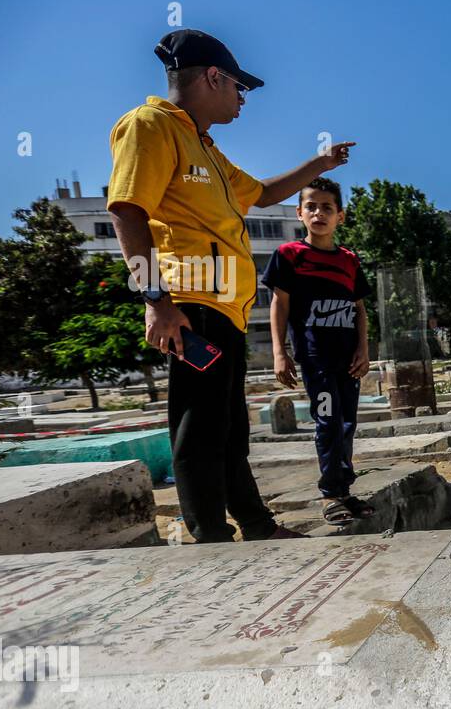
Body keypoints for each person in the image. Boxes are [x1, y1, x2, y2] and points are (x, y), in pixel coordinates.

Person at [107, 29, 356, 542]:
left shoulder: (207, 150)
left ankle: (256, 524)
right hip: (189, 304)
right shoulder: (151, 126)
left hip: (225, 310)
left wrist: (320, 164)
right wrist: (156, 299)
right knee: (199, 425)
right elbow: (127, 209)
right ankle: (208, 532)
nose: (243, 98)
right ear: (213, 77)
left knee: (230, 428)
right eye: (239, 87)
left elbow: (262, 194)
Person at [263, 178, 373, 526]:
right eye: (311, 206)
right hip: (315, 360)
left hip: (348, 361)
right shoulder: (289, 256)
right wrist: (280, 353)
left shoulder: (349, 261)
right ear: (300, 213)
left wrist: (363, 349)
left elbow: (360, 310)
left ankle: (344, 490)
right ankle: (330, 496)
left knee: (347, 423)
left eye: (327, 208)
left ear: (340, 216)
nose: (318, 213)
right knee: (328, 421)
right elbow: (279, 305)